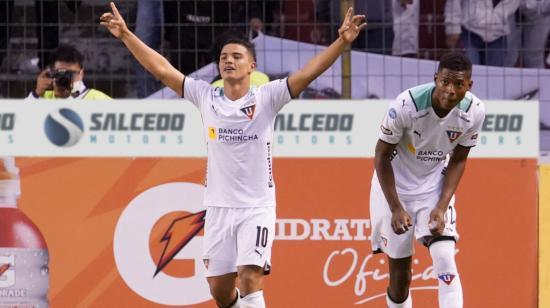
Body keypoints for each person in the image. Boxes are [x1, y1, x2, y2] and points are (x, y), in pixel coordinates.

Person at [100, 2, 365, 307]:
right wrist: (126, 35)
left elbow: (307, 73)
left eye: (237, 56)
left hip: (256, 206)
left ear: (252, 66)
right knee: (220, 291)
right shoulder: (205, 95)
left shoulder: (268, 96)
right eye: (224, 57)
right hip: (218, 208)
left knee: (250, 276)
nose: (229, 61)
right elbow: (161, 69)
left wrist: (342, 42)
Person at [370, 52, 485, 308]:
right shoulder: (406, 105)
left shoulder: (474, 111)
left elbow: (457, 160)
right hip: (393, 189)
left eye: (458, 84)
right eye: (445, 82)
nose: (450, 90)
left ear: (469, 85)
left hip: (433, 186)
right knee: (401, 279)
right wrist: (396, 207)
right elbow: (381, 156)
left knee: (445, 257)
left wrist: (441, 206)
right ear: (436, 79)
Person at [445, 0, 519, 66]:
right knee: (470, 73)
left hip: (498, 36)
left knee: (493, 76)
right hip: (469, 33)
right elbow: (453, 2)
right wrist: (452, 28)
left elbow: (529, 5)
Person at [27, 44, 110, 99]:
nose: (65, 78)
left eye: (71, 73)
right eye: (60, 73)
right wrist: (36, 94)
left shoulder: (99, 99)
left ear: (81, 73)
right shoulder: (42, 97)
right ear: (51, 73)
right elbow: (19, 121)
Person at [505, 0, 550, 68]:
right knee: (508, 56)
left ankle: (536, 78)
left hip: (543, 9)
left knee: (534, 57)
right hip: (510, 7)